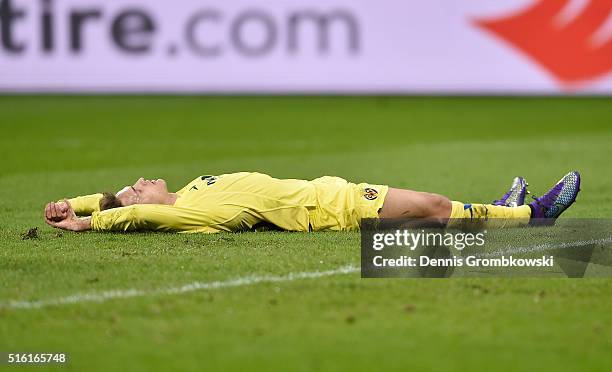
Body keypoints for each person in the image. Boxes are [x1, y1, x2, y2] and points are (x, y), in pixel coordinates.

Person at [43, 171, 580, 233]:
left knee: (435, 205)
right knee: (435, 205)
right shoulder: (192, 212)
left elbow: (120, 201)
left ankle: (497, 206)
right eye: (138, 188)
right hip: (334, 209)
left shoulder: (194, 188)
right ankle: (533, 215)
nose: (141, 181)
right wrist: (93, 225)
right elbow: (135, 211)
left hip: (329, 188)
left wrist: (81, 202)